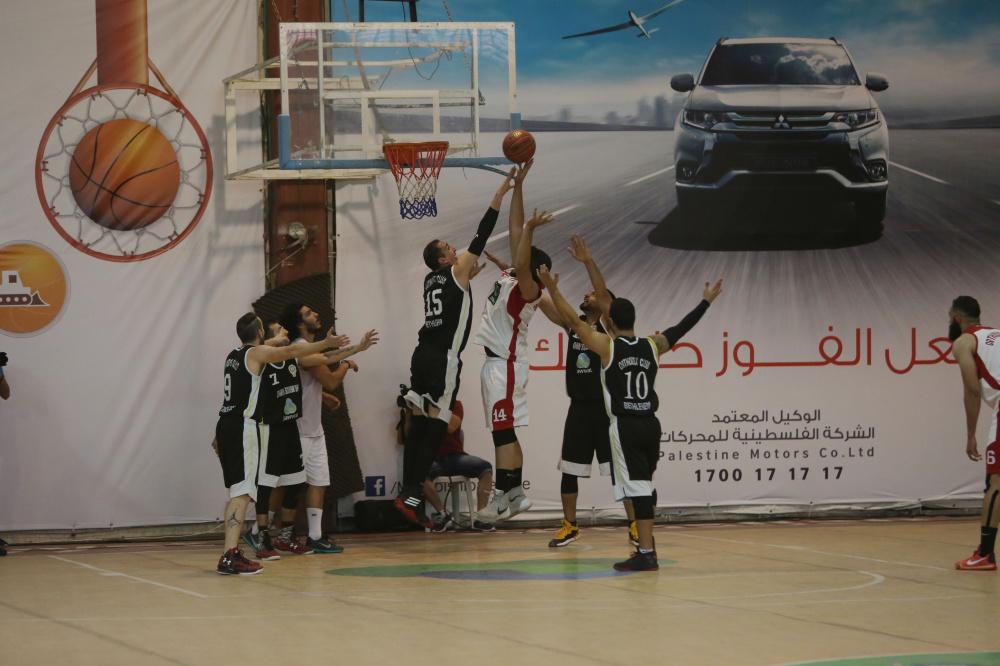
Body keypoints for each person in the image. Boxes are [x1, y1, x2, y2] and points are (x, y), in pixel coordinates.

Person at [540, 266, 722, 571]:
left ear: (609, 320)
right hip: (651, 424)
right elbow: (681, 328)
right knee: (643, 486)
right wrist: (705, 302)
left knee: (637, 490)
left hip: (625, 425)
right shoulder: (653, 345)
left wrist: (553, 287)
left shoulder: (608, 347)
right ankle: (644, 545)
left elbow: (573, 320)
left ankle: (646, 551)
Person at [394, 169, 517, 527]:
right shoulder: (455, 271)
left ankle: (409, 493)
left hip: (422, 354)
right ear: (444, 260)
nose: (455, 249)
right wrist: (500, 193)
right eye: (449, 248)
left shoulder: (431, 280)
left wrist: (469, 280)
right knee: (438, 425)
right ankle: (412, 494)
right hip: (443, 358)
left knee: (421, 424)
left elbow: (454, 301)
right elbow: (483, 232)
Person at [213, 312, 343, 575]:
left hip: (225, 425)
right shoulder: (258, 354)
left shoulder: (234, 355)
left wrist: (276, 339)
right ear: (260, 332)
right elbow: (291, 351)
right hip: (244, 427)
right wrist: (326, 343)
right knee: (242, 493)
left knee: (238, 491)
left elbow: (270, 348)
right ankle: (229, 555)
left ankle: (231, 552)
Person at [474, 160, 563, 523]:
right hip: (499, 364)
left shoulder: (529, 288)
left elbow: (522, 252)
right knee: (505, 430)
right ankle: (515, 494)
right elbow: (514, 229)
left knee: (501, 433)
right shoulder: (514, 274)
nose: (517, 254)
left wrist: (529, 229)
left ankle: (502, 497)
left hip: (505, 366)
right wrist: (519, 187)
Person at [279, 303, 378, 553]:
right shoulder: (300, 346)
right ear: (300, 323)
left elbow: (325, 361)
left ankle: (314, 536)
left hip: (314, 428)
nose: (315, 314)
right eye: (308, 313)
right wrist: (347, 364)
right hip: (298, 428)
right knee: (291, 486)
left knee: (318, 482)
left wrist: (358, 348)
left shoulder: (308, 348)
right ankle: (274, 534)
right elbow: (331, 378)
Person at [948, 296, 1000, 571]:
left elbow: (972, 390)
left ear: (957, 318)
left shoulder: (964, 342)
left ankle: (985, 554)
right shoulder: (996, 334)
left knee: (996, 483)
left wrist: (970, 434)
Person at [396, 400, 495, 532]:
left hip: (455, 456)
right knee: (418, 474)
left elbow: (451, 427)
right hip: (430, 458)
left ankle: (481, 518)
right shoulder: (418, 408)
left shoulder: (455, 404)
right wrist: (409, 411)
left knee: (485, 468)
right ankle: (443, 515)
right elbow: (404, 439)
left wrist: (430, 406)